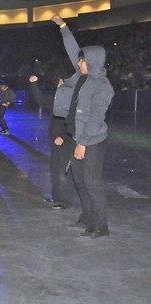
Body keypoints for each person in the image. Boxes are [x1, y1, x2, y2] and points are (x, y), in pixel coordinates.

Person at [51, 15, 113, 238]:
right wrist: (63, 27)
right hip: (77, 136)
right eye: (80, 61)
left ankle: (101, 226)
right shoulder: (81, 77)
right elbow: (73, 50)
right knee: (80, 181)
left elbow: (96, 119)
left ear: (94, 62)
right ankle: (87, 218)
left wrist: (83, 144)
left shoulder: (102, 86)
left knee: (92, 182)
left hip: (92, 140)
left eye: (83, 61)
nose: (79, 63)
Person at [29, 75, 77, 210]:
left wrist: (65, 136)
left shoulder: (71, 102)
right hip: (56, 141)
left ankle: (64, 200)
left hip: (65, 141)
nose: (59, 84)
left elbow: (74, 122)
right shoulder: (57, 99)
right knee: (55, 169)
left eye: (62, 82)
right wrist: (34, 85)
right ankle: (57, 197)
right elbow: (41, 99)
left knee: (63, 171)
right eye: (60, 82)